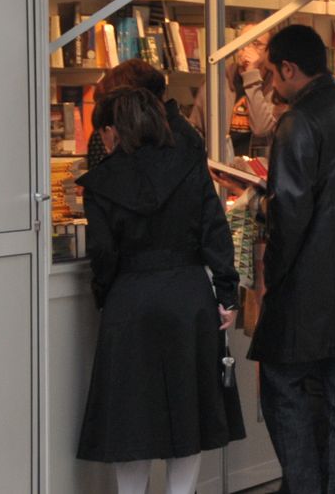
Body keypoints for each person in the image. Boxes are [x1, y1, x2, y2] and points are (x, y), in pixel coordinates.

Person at [76, 88, 244, 494]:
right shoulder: (189, 165)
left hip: (129, 298)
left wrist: (106, 295)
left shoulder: (101, 181)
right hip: (188, 296)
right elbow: (214, 231)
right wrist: (227, 293)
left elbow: (102, 251)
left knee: (129, 416)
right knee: (187, 408)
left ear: (119, 129)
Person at [248, 25, 335, 494]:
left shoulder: (299, 122)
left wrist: (273, 277)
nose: (269, 83)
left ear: (289, 69)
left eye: (269, 73)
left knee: (282, 385)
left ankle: (303, 484)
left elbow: (288, 211)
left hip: (309, 283)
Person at [191, 23, 280, 158]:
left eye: (256, 44)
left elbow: (261, 129)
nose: (247, 49)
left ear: (269, 51)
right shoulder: (218, 81)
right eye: (243, 42)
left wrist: (251, 74)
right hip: (220, 165)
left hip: (257, 169)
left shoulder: (275, 85)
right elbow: (195, 128)